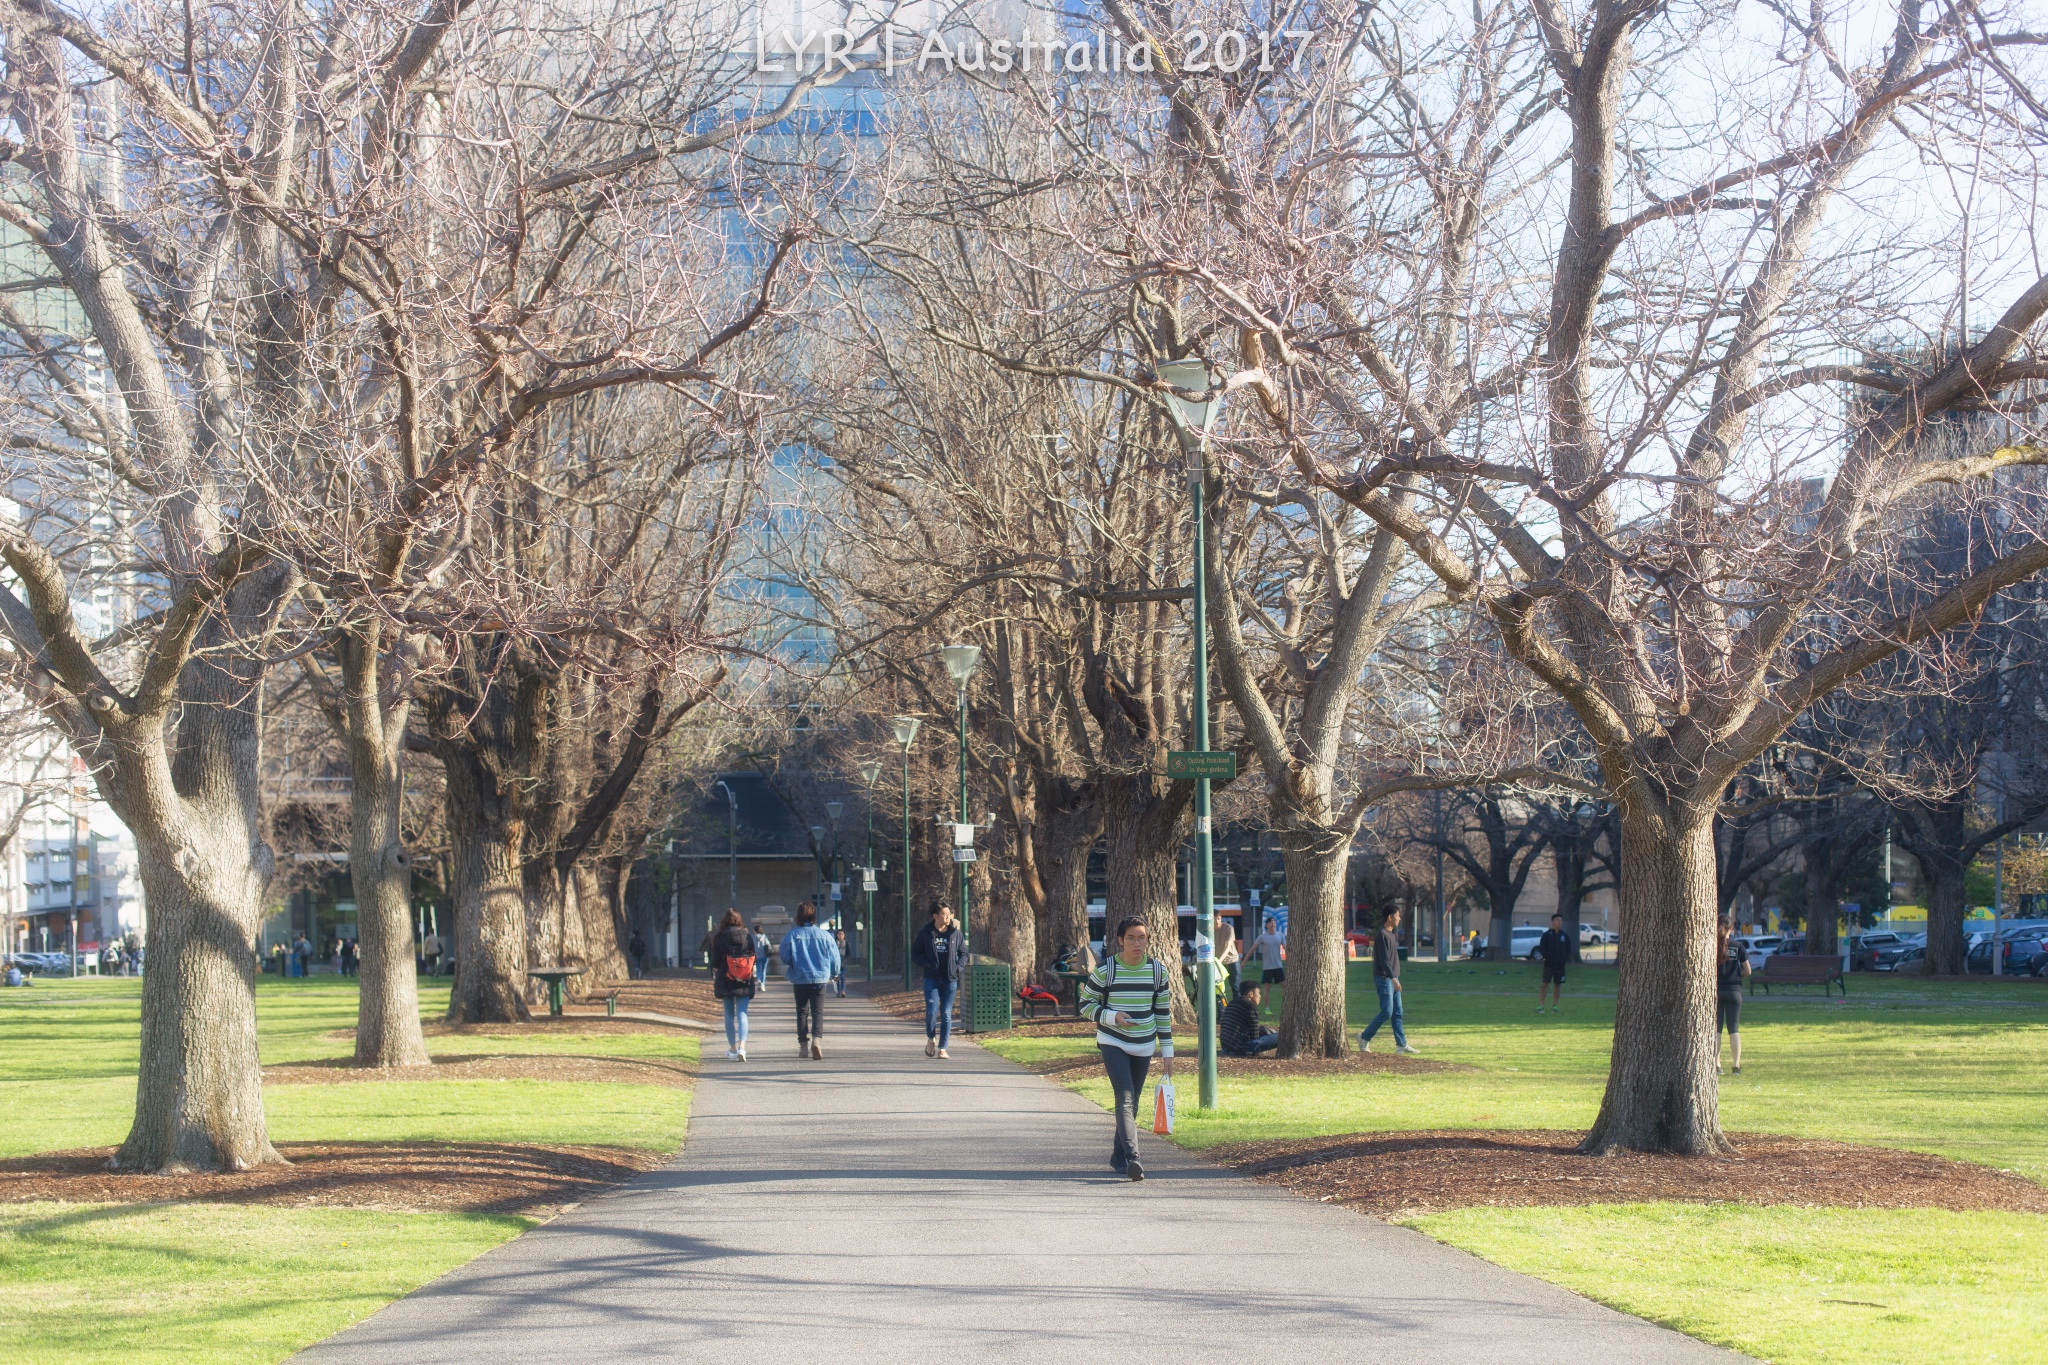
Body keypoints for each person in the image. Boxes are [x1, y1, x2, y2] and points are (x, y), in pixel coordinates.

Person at [1079, 914, 1174, 1181]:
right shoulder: (1106, 970)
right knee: (1125, 1097)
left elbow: (1163, 1013)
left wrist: (1167, 1052)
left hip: (1144, 1044)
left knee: (1133, 1105)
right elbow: (1085, 1005)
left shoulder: (1158, 971)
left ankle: (1117, 1156)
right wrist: (1112, 1016)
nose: (1137, 943)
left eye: (1141, 937)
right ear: (1120, 941)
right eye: (1131, 938)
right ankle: (1134, 1157)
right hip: (1113, 1040)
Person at [778, 901, 842, 1059]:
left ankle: (803, 1046)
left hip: (800, 979)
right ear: (814, 915)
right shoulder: (825, 936)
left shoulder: (792, 935)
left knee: (801, 1012)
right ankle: (817, 1040)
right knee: (817, 1012)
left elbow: (785, 958)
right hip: (819, 979)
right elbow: (835, 958)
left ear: (798, 916)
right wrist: (834, 973)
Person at [1360, 905, 1420, 1055]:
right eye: (1397, 915)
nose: (1399, 918)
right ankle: (1364, 1037)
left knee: (1397, 1012)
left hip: (1393, 978)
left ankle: (1401, 1044)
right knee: (1387, 1011)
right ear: (1390, 917)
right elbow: (1384, 961)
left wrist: (1395, 977)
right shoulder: (1382, 935)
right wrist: (1393, 978)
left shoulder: (1391, 935)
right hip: (1384, 978)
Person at [911, 903, 965, 1057]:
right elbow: (915, 953)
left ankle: (943, 1048)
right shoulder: (926, 933)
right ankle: (931, 1038)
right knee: (931, 1012)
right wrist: (926, 964)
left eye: (949, 914)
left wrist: (958, 968)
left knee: (946, 1013)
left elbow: (964, 954)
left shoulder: (955, 934)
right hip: (932, 979)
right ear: (935, 916)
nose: (947, 917)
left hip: (950, 979)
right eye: (944, 914)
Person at [705, 909, 758, 1061]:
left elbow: (714, 962)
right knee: (742, 1014)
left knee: (728, 1015)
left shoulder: (719, 938)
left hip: (725, 979)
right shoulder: (747, 936)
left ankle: (732, 1049)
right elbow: (754, 958)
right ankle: (742, 1047)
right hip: (744, 979)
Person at [1717, 915, 1749, 1075]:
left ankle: (1717, 1064)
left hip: (1716, 991)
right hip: (1734, 991)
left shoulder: (1713, 946)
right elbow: (1748, 970)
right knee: (1733, 1029)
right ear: (1731, 928)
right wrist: (1737, 977)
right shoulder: (1738, 946)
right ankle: (1736, 1065)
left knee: (1716, 1030)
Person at [1219, 981, 1277, 1057]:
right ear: (1251, 994)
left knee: (1265, 1031)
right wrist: (1255, 1053)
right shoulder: (1250, 1005)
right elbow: (1254, 1034)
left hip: (1226, 1047)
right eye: (1258, 993)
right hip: (1241, 1048)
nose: (1260, 996)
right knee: (1281, 1036)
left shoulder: (1232, 1003)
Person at [1250, 915, 1286, 1017]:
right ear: (1266, 925)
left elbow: (1286, 948)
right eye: (1270, 923)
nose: (1272, 925)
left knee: (1284, 985)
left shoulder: (1280, 935)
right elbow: (1253, 948)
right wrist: (1244, 961)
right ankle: (1266, 1008)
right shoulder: (1262, 937)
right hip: (1268, 967)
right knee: (1267, 987)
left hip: (1278, 966)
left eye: (1274, 923)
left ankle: (1285, 1006)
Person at [1537, 913, 1572, 1012]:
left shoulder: (1564, 936)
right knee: (1545, 984)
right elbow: (1542, 948)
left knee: (1557, 985)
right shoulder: (1547, 935)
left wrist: (1564, 959)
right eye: (1557, 920)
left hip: (1560, 966)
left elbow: (1568, 950)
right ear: (1553, 922)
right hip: (1549, 964)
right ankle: (1541, 1006)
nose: (1559, 922)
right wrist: (1547, 958)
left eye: (1561, 920)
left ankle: (1555, 1006)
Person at [1215, 917, 1241, 997]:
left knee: (1236, 987)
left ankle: (1237, 1008)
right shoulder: (1209, 929)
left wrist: (1218, 962)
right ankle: (1222, 1009)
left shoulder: (1228, 928)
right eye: (1214, 919)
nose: (1216, 921)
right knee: (1218, 987)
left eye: (1218, 919)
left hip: (1232, 961)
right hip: (1218, 962)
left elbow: (1227, 947)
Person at [831, 928, 849, 997]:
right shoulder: (834, 943)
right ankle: (837, 992)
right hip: (836, 963)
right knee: (836, 978)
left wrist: (845, 961)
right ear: (837, 935)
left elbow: (848, 954)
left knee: (843, 977)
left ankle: (843, 991)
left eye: (842, 934)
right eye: (839, 934)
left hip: (843, 963)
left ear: (844, 935)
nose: (840, 936)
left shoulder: (846, 943)